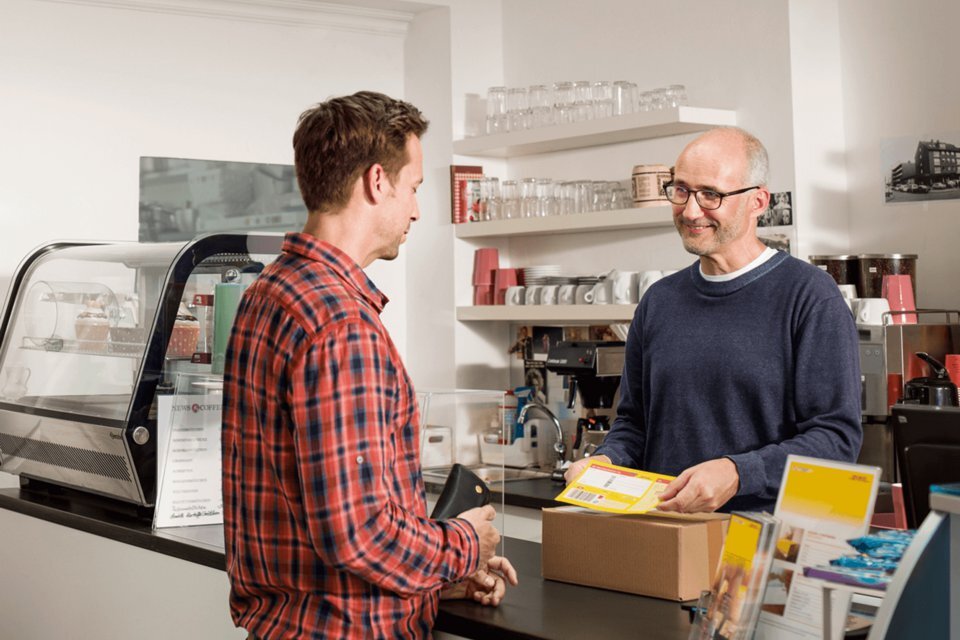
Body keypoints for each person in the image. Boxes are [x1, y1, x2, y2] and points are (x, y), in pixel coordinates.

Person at [222, 91, 517, 639]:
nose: (417, 210)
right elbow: (359, 533)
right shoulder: (340, 324)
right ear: (377, 181)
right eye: (414, 188)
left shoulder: (268, 291)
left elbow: (313, 513)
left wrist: (435, 579)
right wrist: (465, 544)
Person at [565, 127, 861, 513]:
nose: (690, 211)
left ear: (758, 201)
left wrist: (737, 472)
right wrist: (606, 462)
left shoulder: (810, 296)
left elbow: (836, 441)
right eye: (681, 190)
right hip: (666, 530)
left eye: (710, 194)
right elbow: (635, 424)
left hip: (761, 538)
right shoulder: (659, 302)